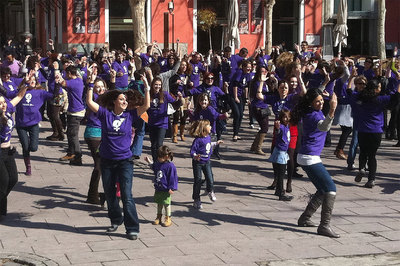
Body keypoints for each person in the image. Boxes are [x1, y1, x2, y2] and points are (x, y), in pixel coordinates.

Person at [85, 73, 150, 240]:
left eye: (125, 100)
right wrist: (91, 84)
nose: (124, 101)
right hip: (106, 161)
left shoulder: (130, 115)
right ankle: (116, 219)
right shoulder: (105, 114)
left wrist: (147, 87)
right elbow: (90, 102)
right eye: (121, 99)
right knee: (109, 193)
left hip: (125, 161)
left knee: (127, 196)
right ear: (114, 101)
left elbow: (146, 106)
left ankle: (132, 227)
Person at [296, 88, 340, 238]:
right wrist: (332, 109)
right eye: (318, 101)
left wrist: (325, 92)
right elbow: (324, 127)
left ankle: (304, 218)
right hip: (310, 157)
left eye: (321, 100)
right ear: (311, 103)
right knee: (331, 189)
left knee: (322, 189)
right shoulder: (313, 116)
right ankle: (324, 226)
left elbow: (314, 92)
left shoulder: (311, 110)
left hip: (307, 156)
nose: (321, 103)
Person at [349, 78, 400, 188]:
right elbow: (396, 96)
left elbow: (349, 92)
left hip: (362, 129)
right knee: (372, 156)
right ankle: (371, 179)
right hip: (375, 131)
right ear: (376, 89)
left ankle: (362, 168)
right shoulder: (381, 99)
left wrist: (351, 78)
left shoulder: (359, 97)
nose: (380, 89)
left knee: (363, 151)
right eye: (380, 88)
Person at [15, 71, 58, 176]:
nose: (32, 82)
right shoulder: (20, 92)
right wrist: (25, 83)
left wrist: (57, 83)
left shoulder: (40, 92)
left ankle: (29, 145)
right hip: (21, 124)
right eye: (30, 80)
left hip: (33, 123)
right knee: (25, 147)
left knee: (33, 147)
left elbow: (54, 96)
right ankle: (28, 167)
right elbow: (9, 93)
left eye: (34, 81)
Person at [0, 81, 27, 220]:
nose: (3, 104)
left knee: (13, 179)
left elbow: (19, 96)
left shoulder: (8, 108)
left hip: (8, 151)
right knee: (3, 182)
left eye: (3, 102)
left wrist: (27, 82)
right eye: (0, 103)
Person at [189, 119, 223, 209]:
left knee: (210, 178)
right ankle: (196, 199)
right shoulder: (197, 140)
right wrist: (195, 156)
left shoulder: (208, 137)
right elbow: (192, 151)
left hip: (207, 161)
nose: (211, 127)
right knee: (198, 180)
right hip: (198, 163)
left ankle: (209, 190)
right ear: (204, 128)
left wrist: (216, 143)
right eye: (209, 126)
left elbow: (208, 145)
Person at [55, 65, 85, 165]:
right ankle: (71, 153)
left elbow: (62, 83)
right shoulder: (79, 80)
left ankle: (77, 155)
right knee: (70, 133)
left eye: (65, 73)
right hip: (75, 110)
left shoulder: (73, 82)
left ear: (69, 73)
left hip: (75, 112)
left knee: (73, 135)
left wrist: (57, 73)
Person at [147, 77, 182, 162]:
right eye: (156, 85)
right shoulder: (148, 94)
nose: (157, 87)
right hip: (152, 123)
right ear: (152, 85)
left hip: (162, 123)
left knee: (159, 144)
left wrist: (180, 99)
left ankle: (160, 161)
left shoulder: (165, 94)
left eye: (159, 85)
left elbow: (174, 103)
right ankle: (155, 162)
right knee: (153, 145)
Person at [267, 109, 293, 201]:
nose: (286, 119)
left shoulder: (287, 126)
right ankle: (281, 193)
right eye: (284, 117)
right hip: (280, 153)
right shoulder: (282, 127)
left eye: (288, 117)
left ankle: (278, 190)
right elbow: (278, 132)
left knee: (279, 173)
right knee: (281, 174)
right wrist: (277, 128)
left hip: (283, 152)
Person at [150, 145, 178, 227]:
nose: (158, 158)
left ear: (166, 157)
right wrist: (149, 162)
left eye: (160, 157)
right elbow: (154, 167)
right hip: (159, 187)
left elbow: (173, 177)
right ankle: (158, 216)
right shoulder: (158, 163)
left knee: (166, 203)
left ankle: (168, 218)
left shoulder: (170, 166)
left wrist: (171, 187)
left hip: (166, 188)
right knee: (159, 202)